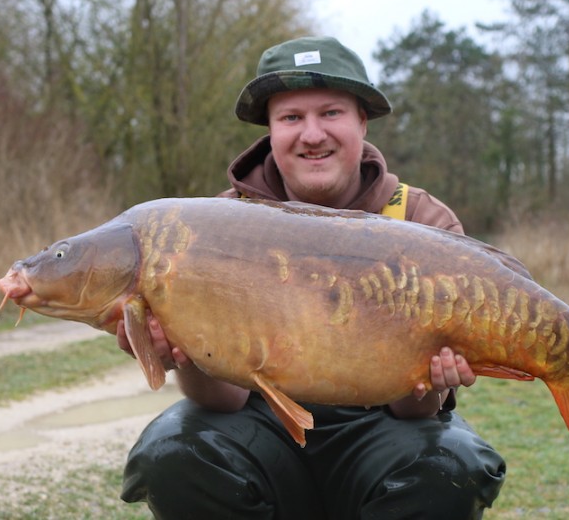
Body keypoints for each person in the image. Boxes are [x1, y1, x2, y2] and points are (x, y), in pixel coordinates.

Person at [117, 36, 515, 519]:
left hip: (380, 430)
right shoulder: (208, 228)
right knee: (171, 452)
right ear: (269, 129)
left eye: (330, 113)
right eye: (291, 118)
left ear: (362, 121)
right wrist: (185, 353)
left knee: (452, 463)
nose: (312, 134)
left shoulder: (419, 221)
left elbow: (418, 415)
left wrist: (434, 380)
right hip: (258, 430)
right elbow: (223, 402)